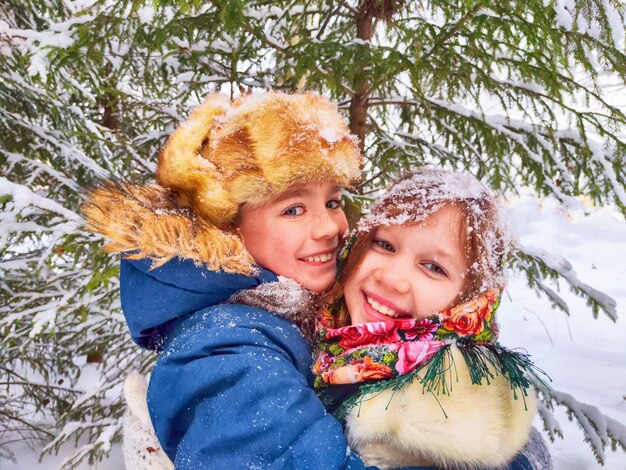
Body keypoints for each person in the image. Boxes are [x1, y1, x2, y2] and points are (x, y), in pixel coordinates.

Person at [83, 91, 373, 468]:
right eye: (294, 209)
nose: (330, 228)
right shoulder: (226, 344)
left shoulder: (283, 313)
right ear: (228, 225)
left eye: (333, 202)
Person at [312, 169, 550, 469]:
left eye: (433, 268)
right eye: (384, 245)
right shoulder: (319, 335)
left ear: (472, 304)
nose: (392, 279)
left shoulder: (449, 430)